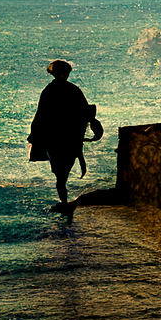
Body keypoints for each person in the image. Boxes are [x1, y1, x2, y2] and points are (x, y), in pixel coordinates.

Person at [28, 59, 95, 213]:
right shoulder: (74, 89)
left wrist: (34, 133)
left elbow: (41, 114)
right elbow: (86, 111)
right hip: (71, 137)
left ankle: (64, 203)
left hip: (53, 138)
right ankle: (64, 203)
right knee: (63, 172)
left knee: (59, 175)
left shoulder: (48, 91)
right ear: (67, 72)